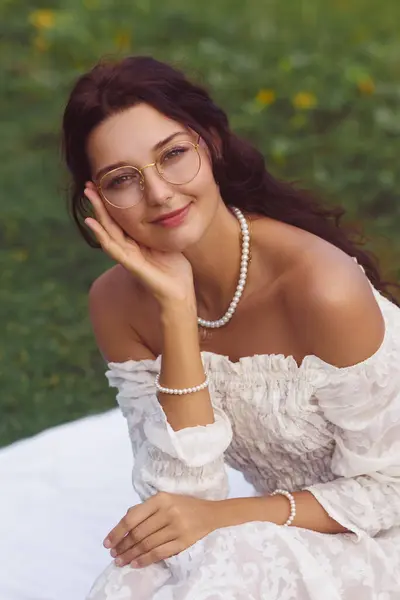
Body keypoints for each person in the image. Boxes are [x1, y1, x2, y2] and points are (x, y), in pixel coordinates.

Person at [61, 55, 400, 599]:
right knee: (135, 578)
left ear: (211, 142)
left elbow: (391, 489)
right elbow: (180, 492)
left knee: (220, 566)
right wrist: (175, 309)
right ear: (95, 200)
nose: (160, 194)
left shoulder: (321, 288)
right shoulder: (117, 302)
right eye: (123, 179)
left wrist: (226, 518)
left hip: (382, 536)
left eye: (172, 155)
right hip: (278, 527)